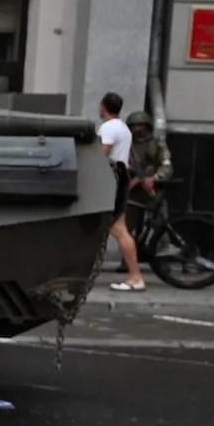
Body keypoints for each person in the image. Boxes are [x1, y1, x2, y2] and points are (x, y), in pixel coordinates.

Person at [97, 92, 146, 292]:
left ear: (103, 106)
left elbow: (103, 153)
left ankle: (135, 276)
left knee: (118, 229)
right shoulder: (124, 128)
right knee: (115, 227)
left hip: (112, 178)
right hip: (121, 177)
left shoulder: (108, 128)